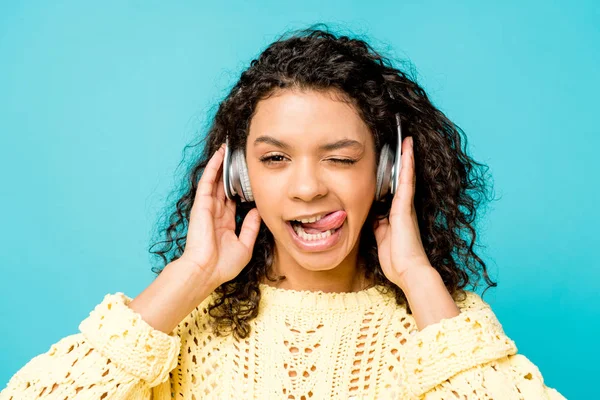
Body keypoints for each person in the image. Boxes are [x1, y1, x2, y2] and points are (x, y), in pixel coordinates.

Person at [0, 26, 565, 399]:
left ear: (386, 173)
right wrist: (190, 275)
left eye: (340, 158)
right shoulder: (185, 329)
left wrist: (420, 280)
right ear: (241, 176)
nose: (305, 188)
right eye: (274, 159)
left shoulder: (442, 328)